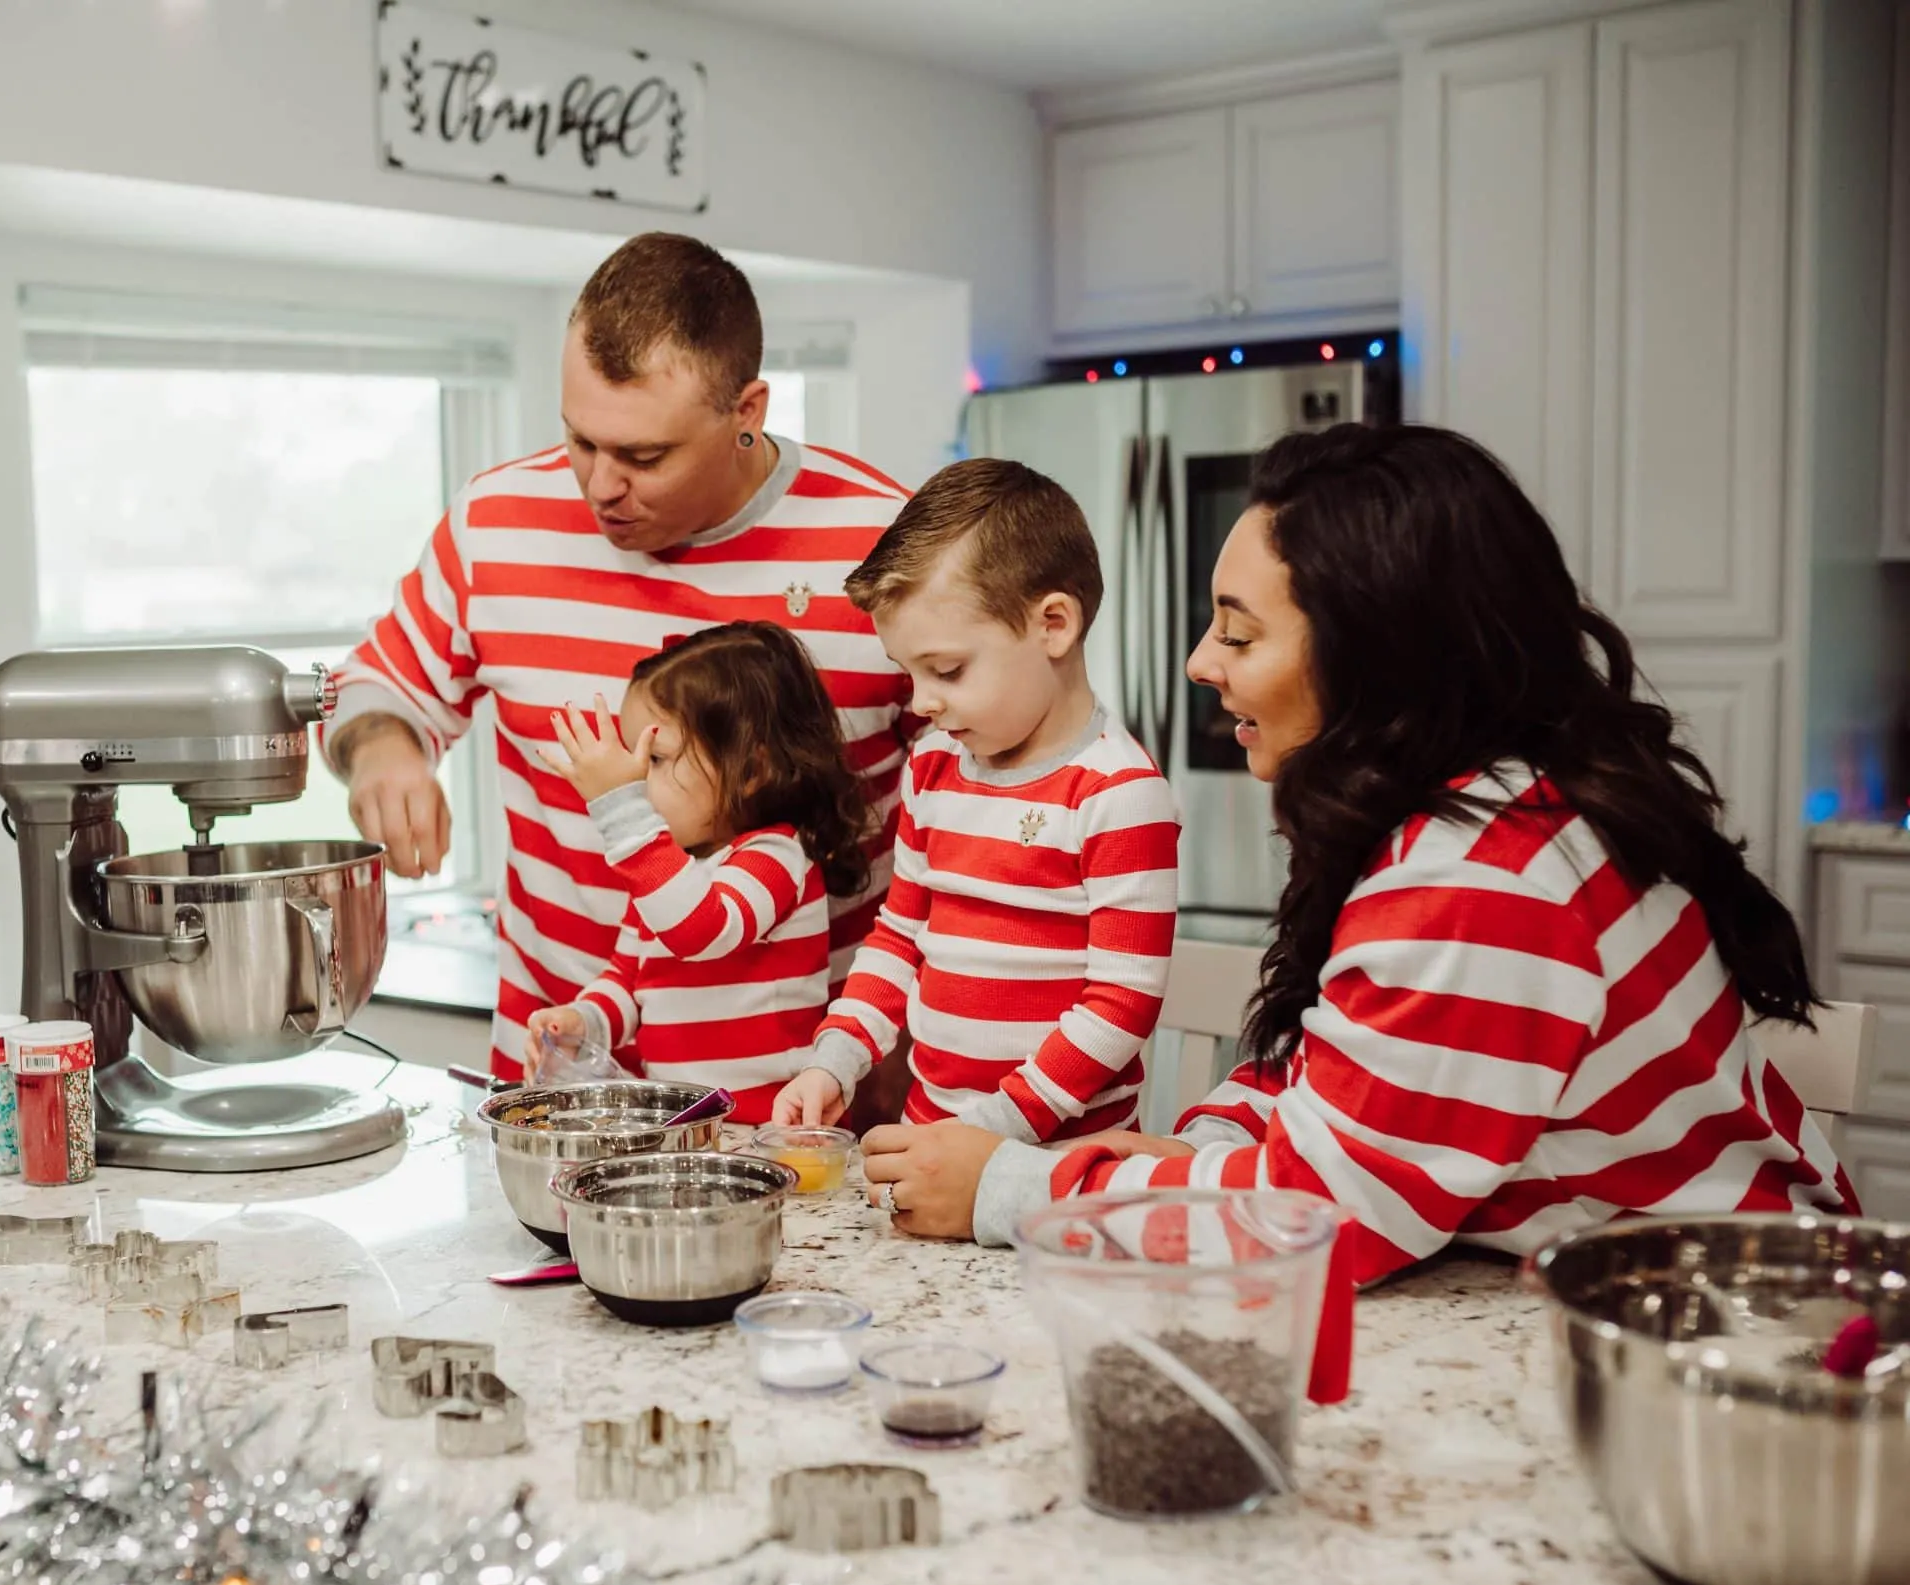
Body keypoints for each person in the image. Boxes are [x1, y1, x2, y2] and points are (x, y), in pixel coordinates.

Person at [861, 423, 1857, 1276]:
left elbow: (1314, 1216)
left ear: (1376, 651)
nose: (1201, 662)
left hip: (1729, 1336)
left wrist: (1007, 1184)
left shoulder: (1486, 875)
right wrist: (1194, 1146)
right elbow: (1320, 1074)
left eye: (1240, 636)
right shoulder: (1451, 814)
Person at [324, 233, 912, 1080]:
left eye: (644, 456)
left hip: (800, 1105)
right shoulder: (496, 524)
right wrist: (382, 749)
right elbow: (378, 684)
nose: (599, 485)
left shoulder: (878, 542)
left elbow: (964, 811)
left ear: (747, 412)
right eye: (578, 440)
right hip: (555, 1091)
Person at [772, 459, 1180, 1143]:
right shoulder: (934, 766)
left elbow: (1120, 1005)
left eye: (948, 670)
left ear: (1053, 624)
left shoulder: (1118, 793)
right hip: (933, 1138)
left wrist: (993, 1132)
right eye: (909, 673)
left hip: (1062, 1169)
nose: (922, 701)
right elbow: (899, 939)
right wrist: (834, 1062)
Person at [521, 623, 870, 1121]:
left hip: (769, 1131)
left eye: (656, 759)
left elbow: (703, 929)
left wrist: (621, 811)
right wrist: (584, 1021)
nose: (635, 780)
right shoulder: (667, 874)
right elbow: (629, 981)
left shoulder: (775, 857)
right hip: (687, 1126)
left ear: (750, 771)